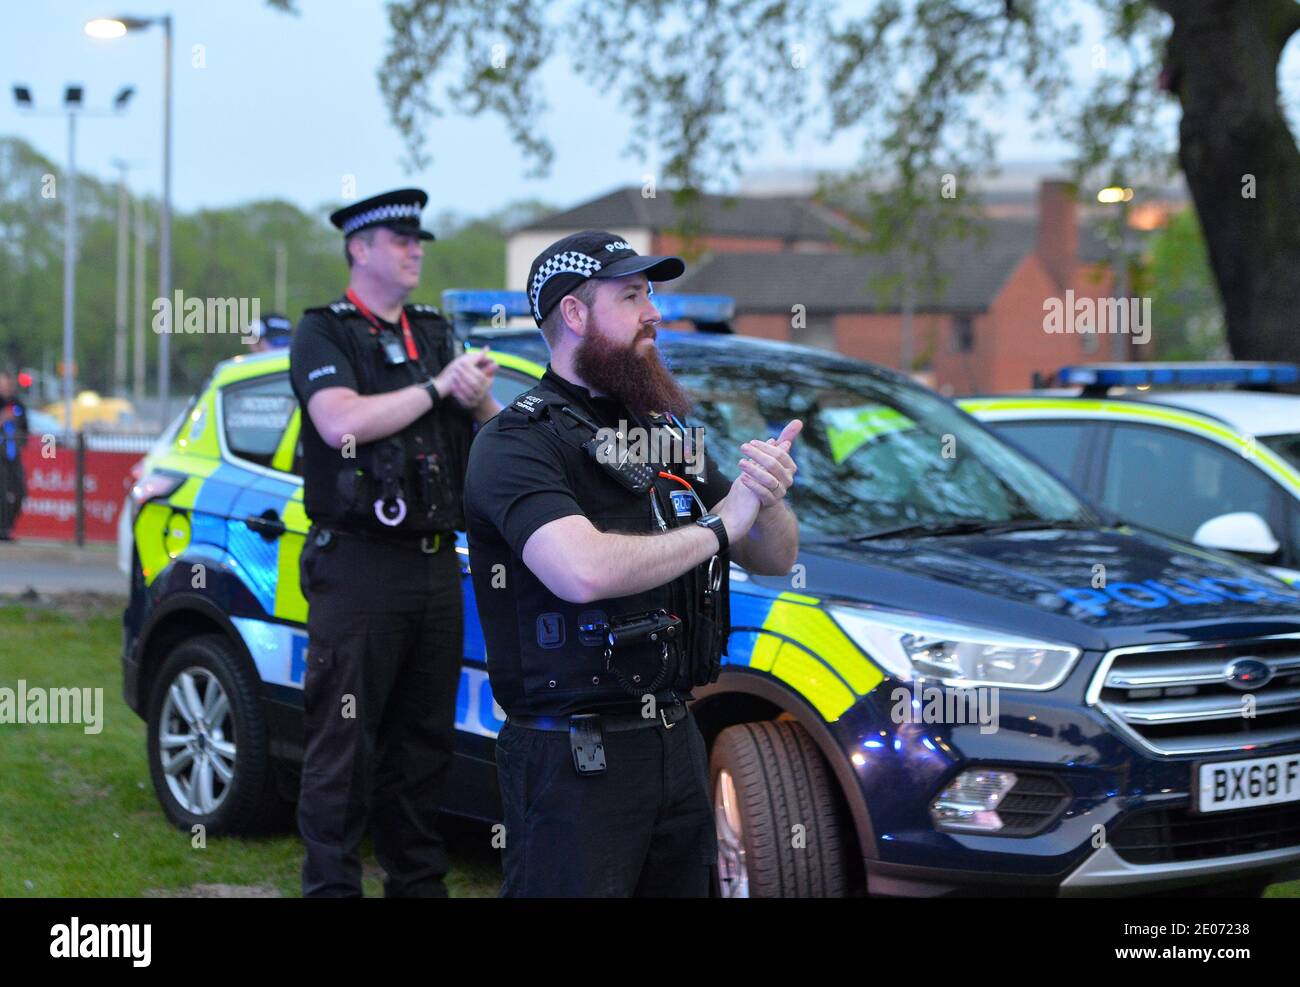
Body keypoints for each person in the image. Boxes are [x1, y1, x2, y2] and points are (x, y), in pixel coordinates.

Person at [464, 230, 802, 897]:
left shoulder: (664, 431)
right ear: (574, 313)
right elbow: (580, 569)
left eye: (651, 292)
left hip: (674, 737)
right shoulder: (514, 443)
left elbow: (774, 555)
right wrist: (720, 523)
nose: (655, 312)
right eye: (632, 295)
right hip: (571, 758)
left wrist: (764, 497)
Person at [288, 188, 501, 898]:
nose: (415, 250)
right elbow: (337, 420)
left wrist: (478, 399)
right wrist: (440, 388)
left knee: (422, 752)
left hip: (436, 568)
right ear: (359, 247)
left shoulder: (434, 331)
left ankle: (418, 888)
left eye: (419, 241)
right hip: (360, 569)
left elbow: (480, 431)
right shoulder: (327, 331)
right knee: (342, 753)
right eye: (400, 239)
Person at [0, 371, 30, 541]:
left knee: (19, 492)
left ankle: (7, 528)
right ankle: (2, 531)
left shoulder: (18, 404)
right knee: (2, 494)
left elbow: (26, 430)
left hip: (13, 455)